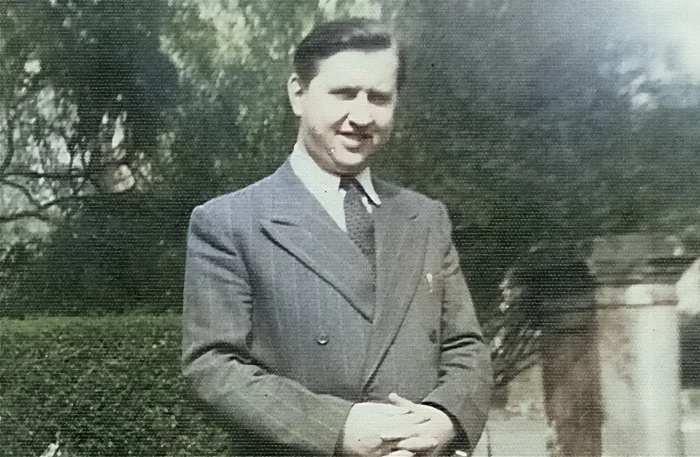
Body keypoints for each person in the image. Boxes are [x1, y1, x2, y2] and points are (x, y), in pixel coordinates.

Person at [182, 18, 492, 457]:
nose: (362, 117)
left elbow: (465, 346)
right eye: (344, 94)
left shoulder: (425, 216)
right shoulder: (229, 222)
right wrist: (337, 427)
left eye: (379, 98)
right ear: (298, 93)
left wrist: (444, 419)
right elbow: (212, 365)